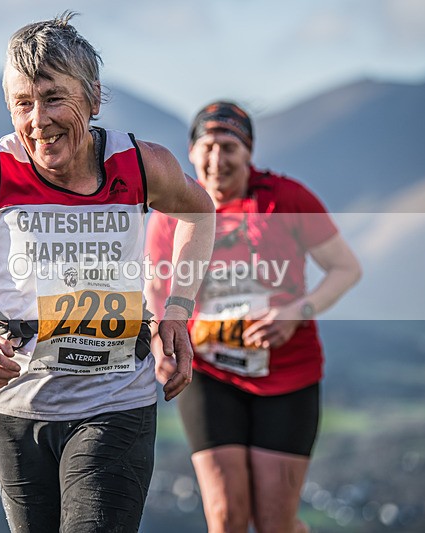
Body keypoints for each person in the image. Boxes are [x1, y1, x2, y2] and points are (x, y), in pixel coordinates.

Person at [0, 13, 215, 533]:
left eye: (53, 98)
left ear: (93, 98)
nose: (37, 120)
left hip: (116, 399)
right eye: (22, 104)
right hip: (17, 407)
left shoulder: (140, 165)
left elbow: (200, 212)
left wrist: (178, 312)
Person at [145, 101, 361, 533]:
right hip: (209, 372)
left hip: (287, 375)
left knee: (274, 523)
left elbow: (346, 268)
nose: (217, 159)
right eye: (207, 147)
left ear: (248, 152)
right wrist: (158, 339)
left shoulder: (286, 198)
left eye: (229, 147)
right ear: (191, 152)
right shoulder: (175, 208)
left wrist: (297, 311)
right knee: (226, 516)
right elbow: (156, 286)